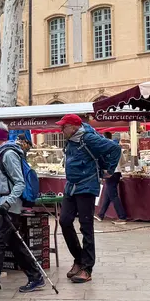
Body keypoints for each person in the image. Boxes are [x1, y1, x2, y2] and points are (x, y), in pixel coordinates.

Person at [0, 122, 46, 299]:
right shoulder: (1, 154)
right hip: (2, 205)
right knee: (14, 243)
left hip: (8, 208)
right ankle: (35, 277)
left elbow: (19, 183)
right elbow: (1, 184)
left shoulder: (9, 154)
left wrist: (8, 203)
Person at [57, 114, 121, 284]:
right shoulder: (71, 139)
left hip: (87, 185)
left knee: (86, 227)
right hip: (71, 186)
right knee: (64, 221)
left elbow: (115, 148)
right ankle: (78, 259)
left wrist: (110, 169)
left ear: (73, 126)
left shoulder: (89, 138)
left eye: (64, 127)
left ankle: (87, 268)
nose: (61, 130)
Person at [97, 135, 126, 222]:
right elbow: (123, 161)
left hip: (109, 172)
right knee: (108, 193)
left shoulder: (103, 148)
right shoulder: (117, 148)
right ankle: (101, 214)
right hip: (117, 172)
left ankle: (122, 216)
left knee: (113, 195)